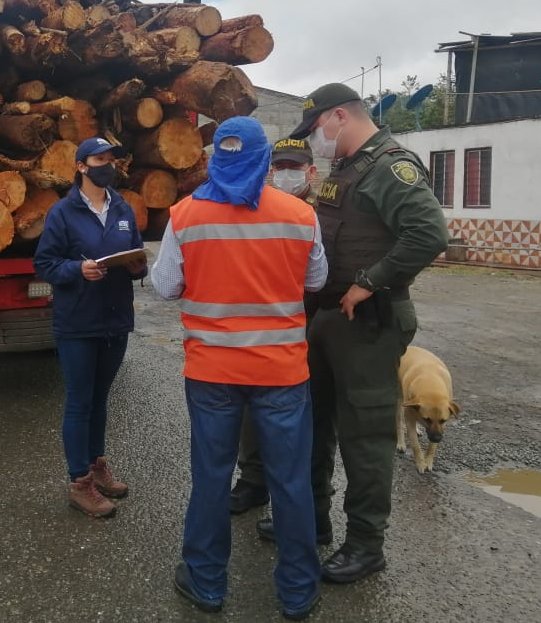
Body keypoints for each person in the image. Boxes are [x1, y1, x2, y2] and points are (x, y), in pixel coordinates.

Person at [151, 117, 327, 621]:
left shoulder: (184, 216)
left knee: (211, 478)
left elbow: (166, 287)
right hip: (282, 375)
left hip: (212, 373)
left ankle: (205, 582)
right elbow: (317, 279)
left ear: (215, 160)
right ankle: (297, 590)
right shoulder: (299, 215)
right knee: (290, 481)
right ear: (265, 161)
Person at [286, 82, 449, 584]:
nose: (315, 140)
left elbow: (429, 234)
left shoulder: (390, 166)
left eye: (316, 129)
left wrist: (369, 283)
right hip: (329, 318)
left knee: (365, 436)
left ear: (339, 116)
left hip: (368, 323)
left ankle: (365, 545)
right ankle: (313, 523)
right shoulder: (348, 167)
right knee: (314, 424)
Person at [34, 137, 148, 519]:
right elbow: (45, 264)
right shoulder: (62, 213)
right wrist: (76, 270)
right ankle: (79, 482)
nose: (108, 165)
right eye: (100, 159)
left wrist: (138, 267)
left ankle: (97, 465)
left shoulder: (123, 207)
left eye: (111, 159)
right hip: (78, 321)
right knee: (80, 400)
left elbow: (134, 252)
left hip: (115, 319)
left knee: (101, 398)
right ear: (82, 166)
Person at [231, 137, 320, 514]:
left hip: (318, 319)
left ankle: (306, 500)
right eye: (280, 168)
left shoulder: (324, 210)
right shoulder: (257, 208)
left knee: (307, 415)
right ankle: (253, 480)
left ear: (311, 172)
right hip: (269, 329)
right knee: (254, 410)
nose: (286, 175)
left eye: (294, 169)